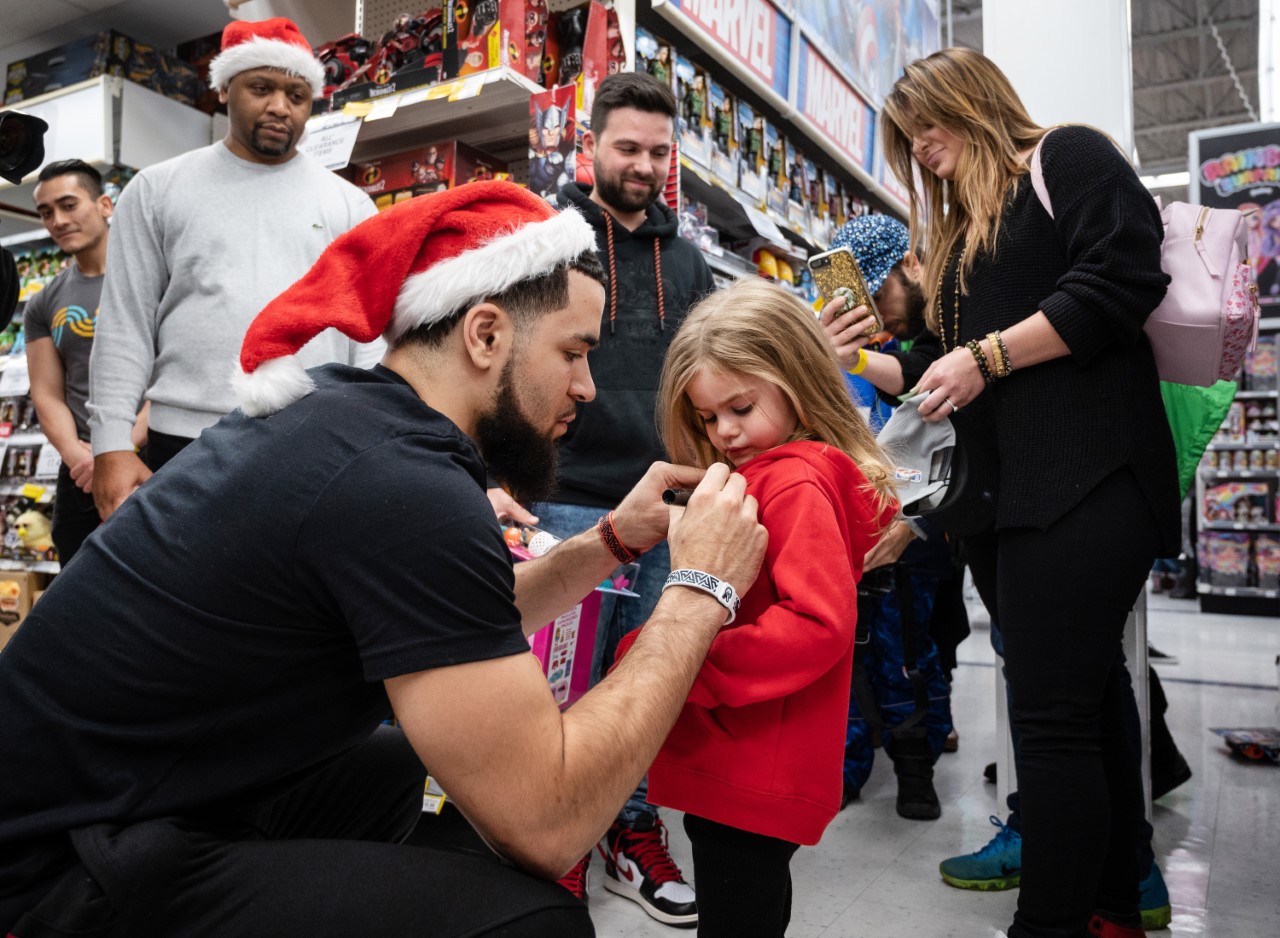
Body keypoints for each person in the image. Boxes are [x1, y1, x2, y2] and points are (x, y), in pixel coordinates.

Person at [0, 181, 769, 936]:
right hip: (51, 874)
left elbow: (462, 622)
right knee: (538, 924)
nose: (588, 388)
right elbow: (549, 821)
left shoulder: (351, 421)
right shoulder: (399, 485)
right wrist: (699, 592)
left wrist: (614, 539)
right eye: (573, 352)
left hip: (103, 799)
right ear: (486, 334)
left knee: (388, 766)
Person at [880, 49, 1181, 938]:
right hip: (1009, 508)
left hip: (1087, 482)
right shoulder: (961, 236)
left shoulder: (1068, 157)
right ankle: (1114, 906)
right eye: (906, 135)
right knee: (1083, 708)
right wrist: (855, 357)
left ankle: (1048, 924)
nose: (921, 144)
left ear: (972, 103)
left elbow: (1122, 279)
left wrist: (987, 357)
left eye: (929, 120)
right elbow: (931, 367)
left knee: (1049, 726)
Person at [490, 70, 714, 922]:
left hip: (660, 504)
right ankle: (545, 839)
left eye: (659, 151)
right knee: (550, 686)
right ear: (590, 146)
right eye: (628, 147)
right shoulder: (546, 237)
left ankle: (628, 828)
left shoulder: (686, 258)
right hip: (560, 499)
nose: (645, 165)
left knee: (643, 680)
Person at [612, 277, 897, 938]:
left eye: (740, 408)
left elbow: (816, 622)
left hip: (750, 760)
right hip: (744, 755)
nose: (725, 432)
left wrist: (687, 664)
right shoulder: (776, 474)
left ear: (796, 378)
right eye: (709, 418)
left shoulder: (794, 482)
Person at [88, 17, 381, 522]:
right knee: (184, 592)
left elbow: (370, 337)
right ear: (225, 88)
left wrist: (377, 437)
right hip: (186, 441)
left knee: (299, 599)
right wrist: (110, 444)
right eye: (261, 88)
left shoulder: (350, 205)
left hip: (319, 436)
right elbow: (124, 325)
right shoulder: (157, 190)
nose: (279, 107)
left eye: (296, 94)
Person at [817, 215, 957, 821]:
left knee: (911, 660)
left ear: (911, 268)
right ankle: (846, 772)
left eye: (880, 296)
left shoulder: (948, 327)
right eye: (862, 303)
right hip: (850, 539)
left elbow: (920, 380)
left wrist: (854, 361)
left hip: (919, 538)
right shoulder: (852, 352)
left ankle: (916, 772)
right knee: (844, 666)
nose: (876, 315)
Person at [24, 161, 147, 564]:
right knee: (82, 586)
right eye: (46, 212)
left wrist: (118, 446)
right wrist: (81, 457)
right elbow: (46, 394)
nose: (57, 220)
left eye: (68, 204)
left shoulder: (154, 280)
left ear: (105, 205)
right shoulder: (43, 302)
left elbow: (173, 375)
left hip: (152, 453)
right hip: (80, 469)